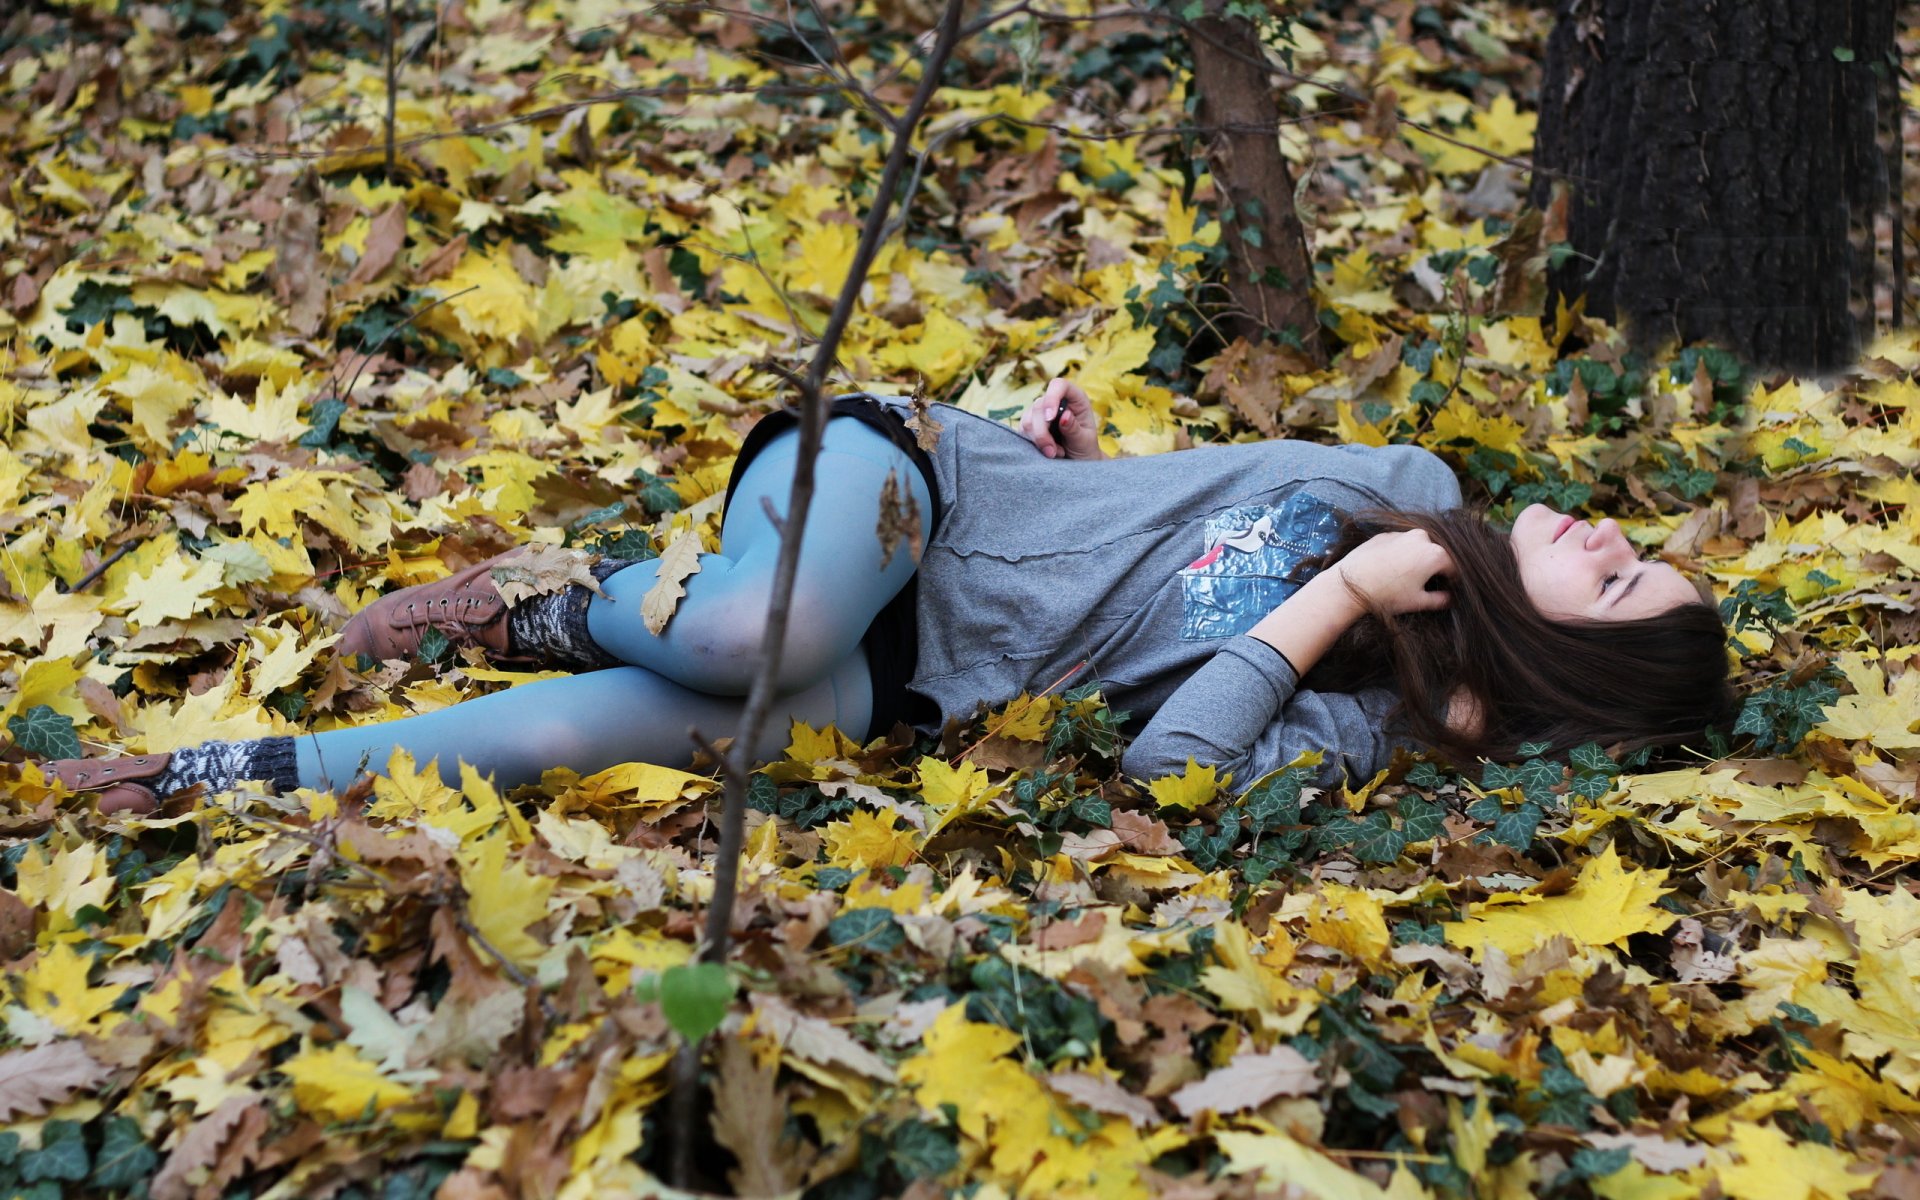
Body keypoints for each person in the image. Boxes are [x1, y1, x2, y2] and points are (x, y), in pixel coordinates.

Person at [35, 381, 1737, 815]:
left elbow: (1177, 773)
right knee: (744, 633)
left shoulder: (1384, 721)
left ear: (1582, 678)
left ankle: (209, 774)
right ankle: (548, 592)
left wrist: (1334, 614)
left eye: (1630, 577)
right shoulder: (1427, 485)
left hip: (935, 669)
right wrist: (1088, 454)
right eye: (1633, 540)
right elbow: (1199, 498)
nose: (1605, 534)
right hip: (925, 489)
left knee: (626, 743)